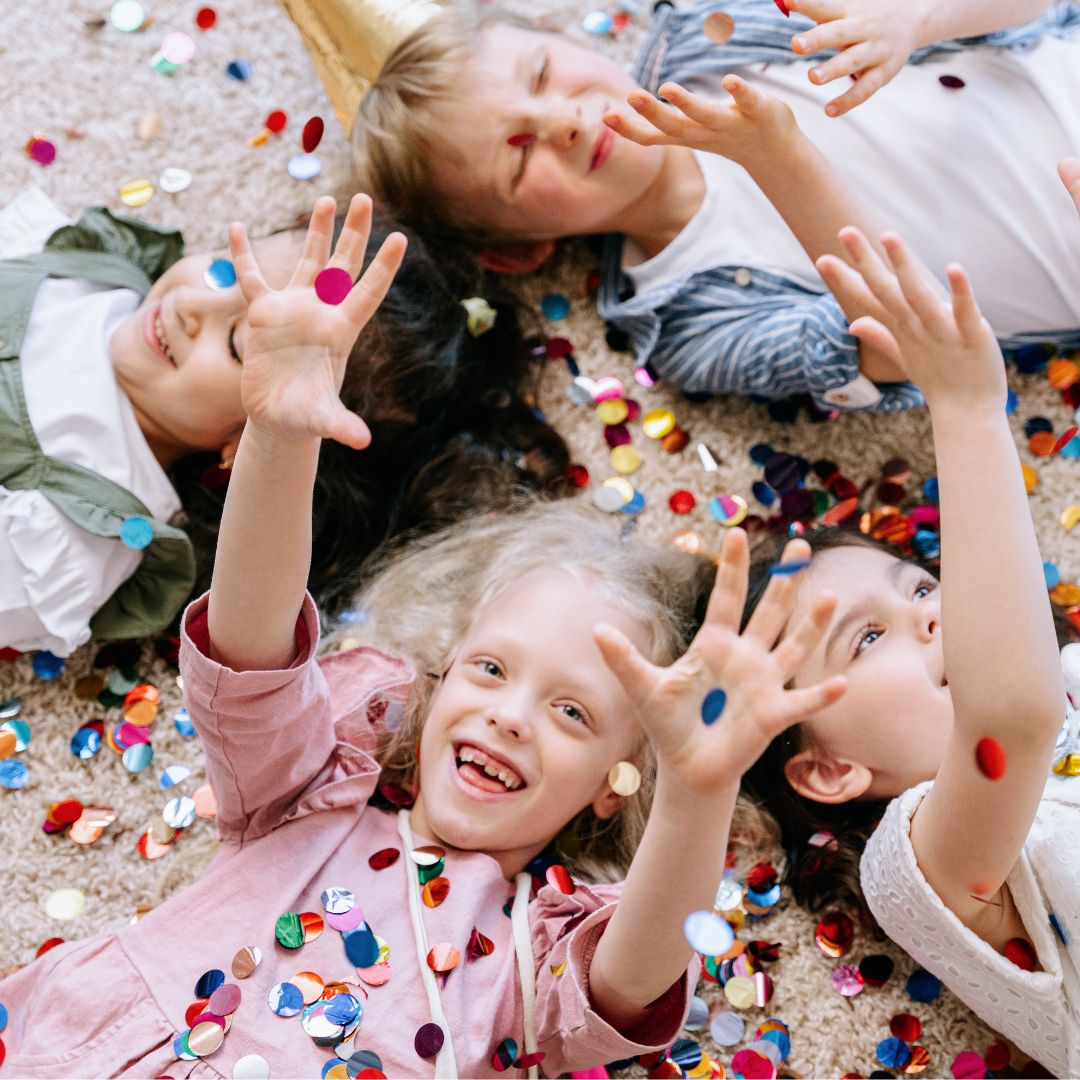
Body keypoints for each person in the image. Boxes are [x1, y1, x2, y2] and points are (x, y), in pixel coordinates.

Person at [0, 193, 845, 1077]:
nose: (512, 716)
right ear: (434, 688)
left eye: (571, 712)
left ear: (614, 785)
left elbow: (634, 978)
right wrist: (281, 435)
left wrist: (700, 790)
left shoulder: (534, 956)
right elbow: (251, 642)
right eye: (488, 669)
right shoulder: (307, 793)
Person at [352, 0, 1080, 413]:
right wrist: (777, 157)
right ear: (517, 250)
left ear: (564, 35)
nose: (562, 123)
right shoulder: (690, 323)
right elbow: (915, 354)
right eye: (517, 156)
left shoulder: (717, 26)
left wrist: (912, 19)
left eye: (542, 73)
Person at [735, 205, 1080, 1073]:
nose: (933, 611)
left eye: (921, 585)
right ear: (826, 768)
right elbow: (1011, 720)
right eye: (865, 639)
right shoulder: (912, 862)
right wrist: (966, 408)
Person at [0, 189, 568, 657]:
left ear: (243, 445)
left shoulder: (79, 531)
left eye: (235, 345)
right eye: (226, 274)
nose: (191, 306)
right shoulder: (92, 266)